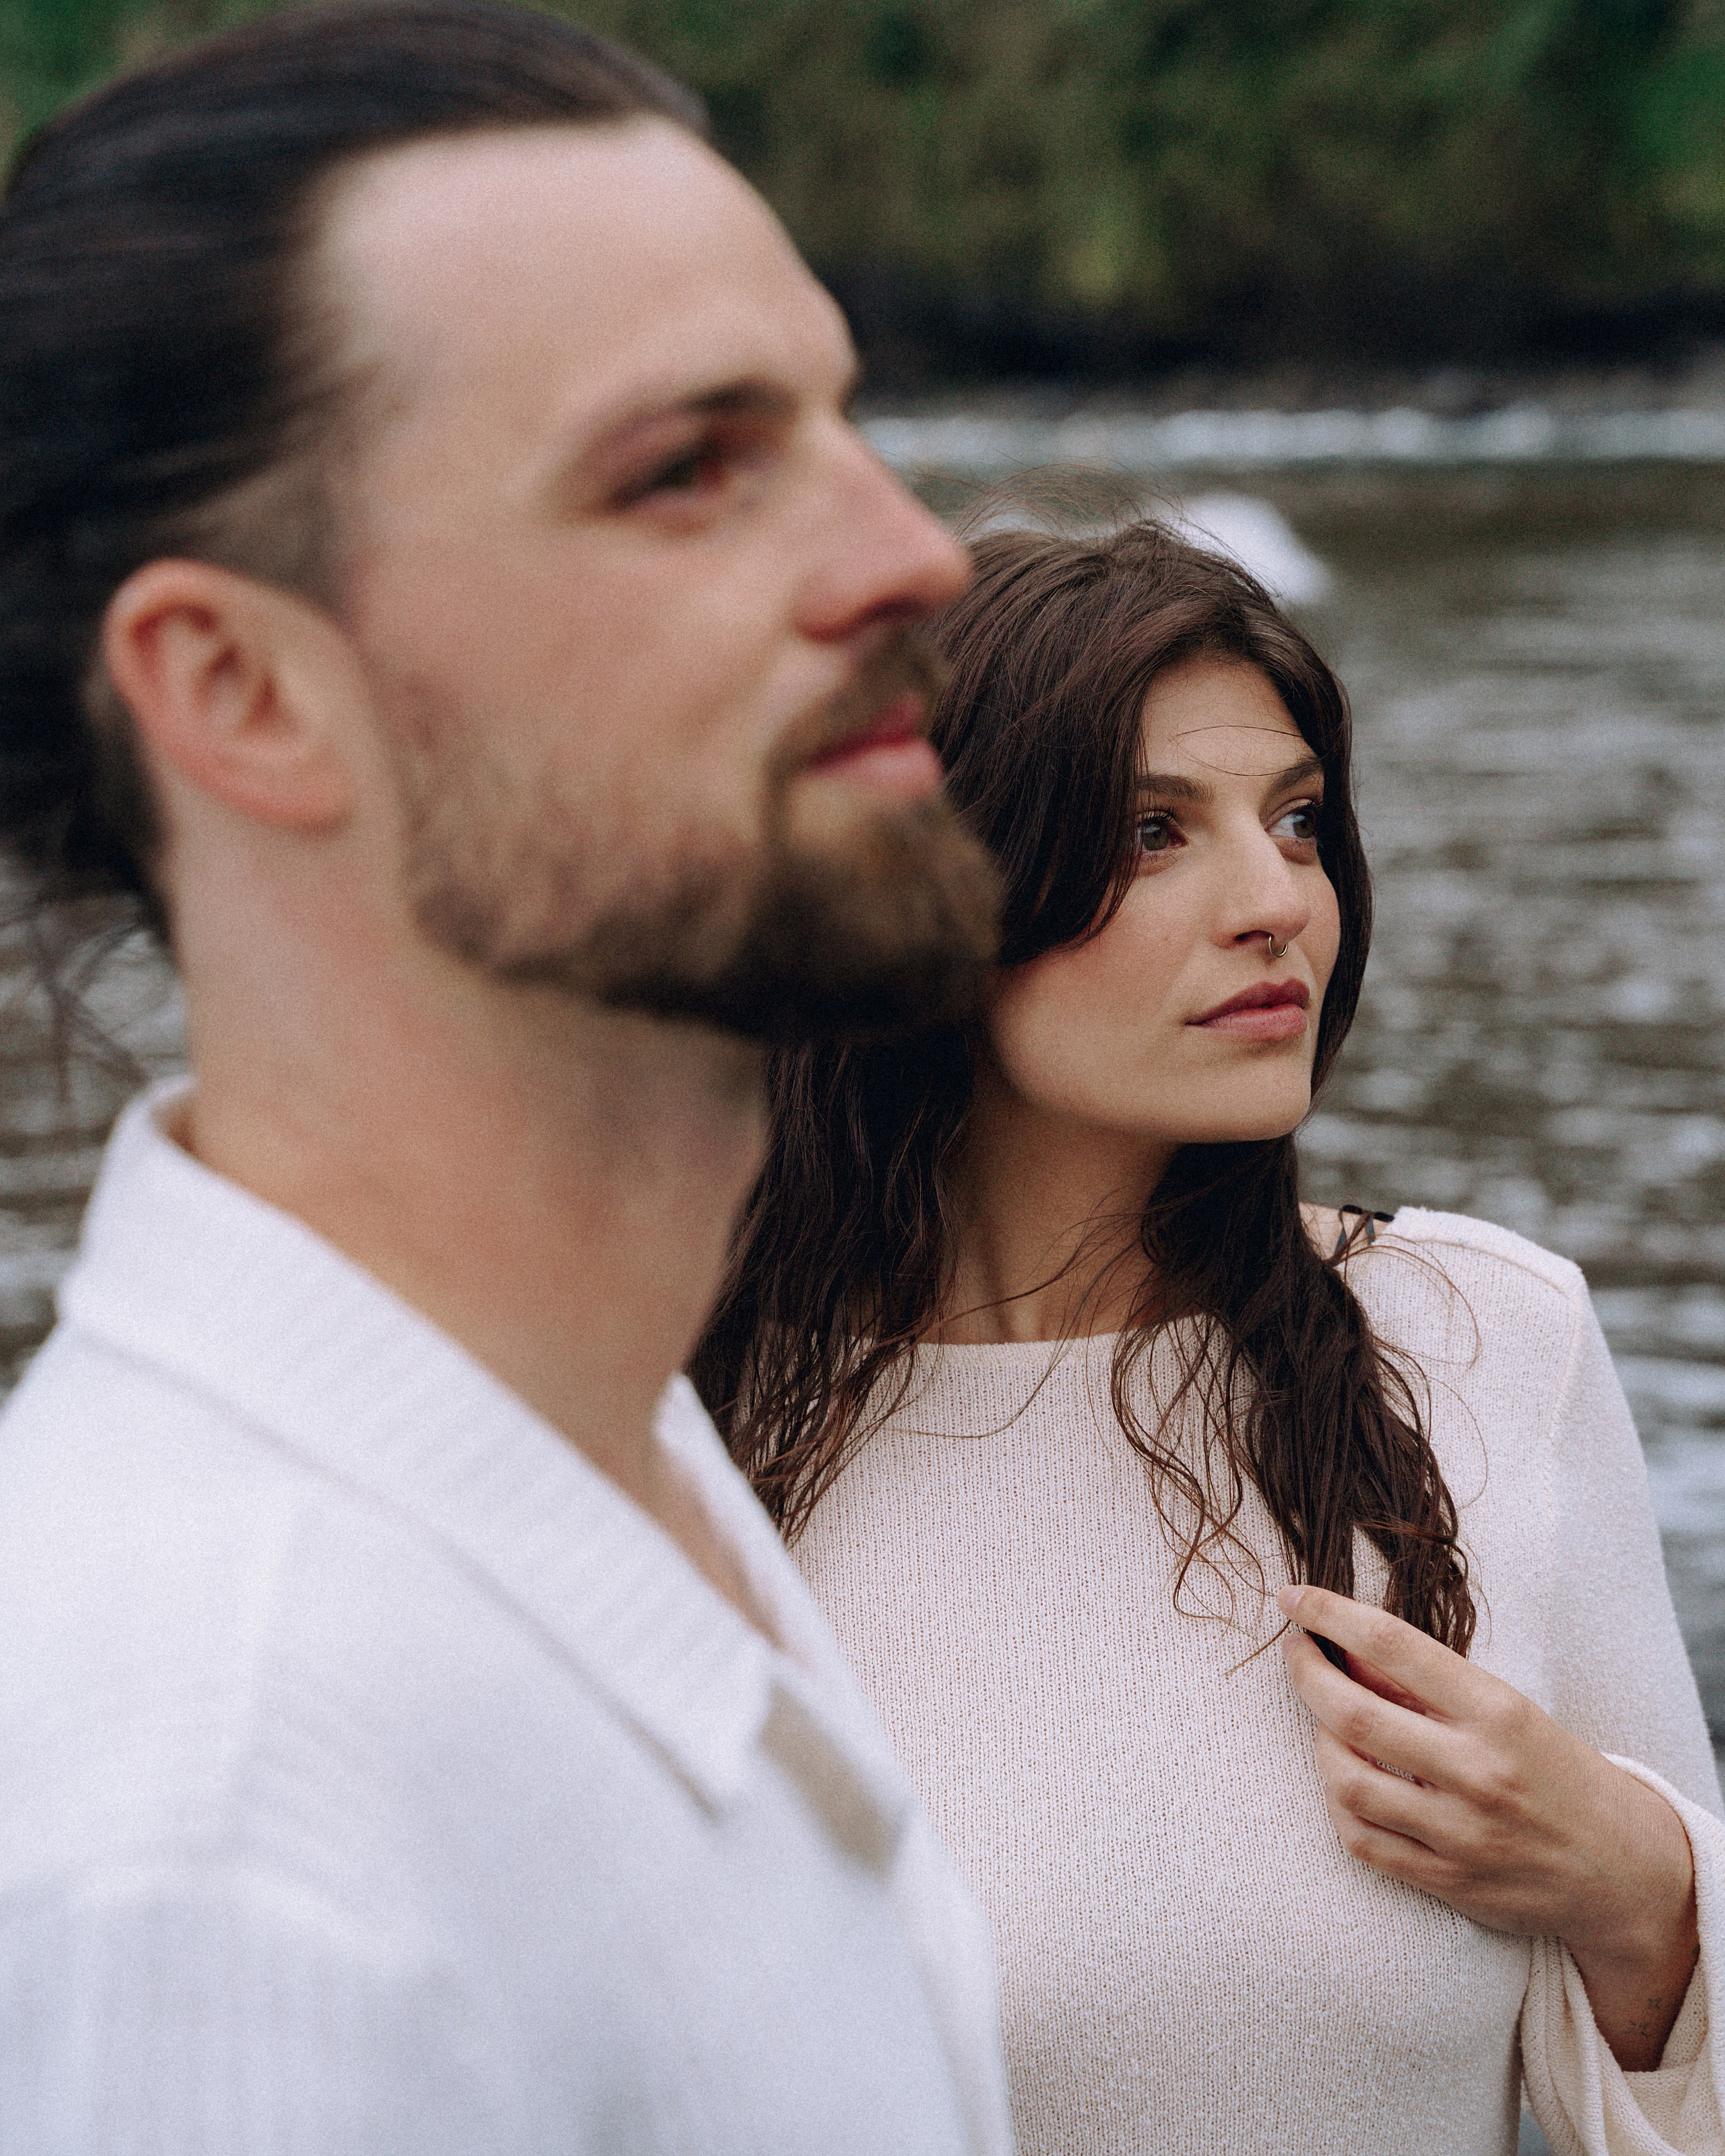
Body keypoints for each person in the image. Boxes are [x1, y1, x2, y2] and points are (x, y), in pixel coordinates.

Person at [0, 5, 1016, 2149]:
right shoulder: (231, 1855)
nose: (913, 552)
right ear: (241, 689)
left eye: (847, 419)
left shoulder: (601, 1442)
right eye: (686, 470)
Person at [694, 511, 1725, 2156]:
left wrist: (1631, 1879)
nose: (1275, 903)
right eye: (1153, 833)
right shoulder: (681, 1422)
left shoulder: (1479, 1345)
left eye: (1298, 819)